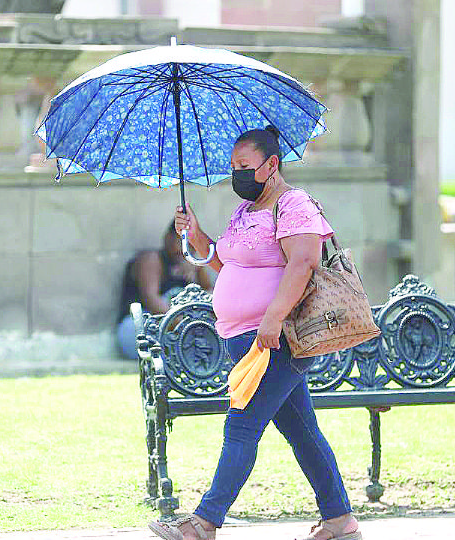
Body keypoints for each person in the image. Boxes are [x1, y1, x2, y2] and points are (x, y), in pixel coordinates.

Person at [148, 126, 362, 540]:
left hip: (277, 339)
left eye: (244, 166)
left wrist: (273, 318)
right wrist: (194, 233)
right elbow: (229, 267)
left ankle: (204, 522)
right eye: (233, 167)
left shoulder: (294, 205)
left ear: (272, 164)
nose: (237, 175)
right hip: (243, 337)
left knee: (241, 427)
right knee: (301, 429)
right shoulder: (245, 211)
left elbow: (303, 263)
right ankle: (340, 520)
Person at [116, 219, 213, 360]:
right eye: (180, 241)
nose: (183, 248)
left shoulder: (190, 265)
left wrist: (198, 268)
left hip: (176, 330)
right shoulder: (152, 260)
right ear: (168, 238)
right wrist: (188, 325)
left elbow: (209, 296)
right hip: (139, 328)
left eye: (190, 244)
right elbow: (152, 301)